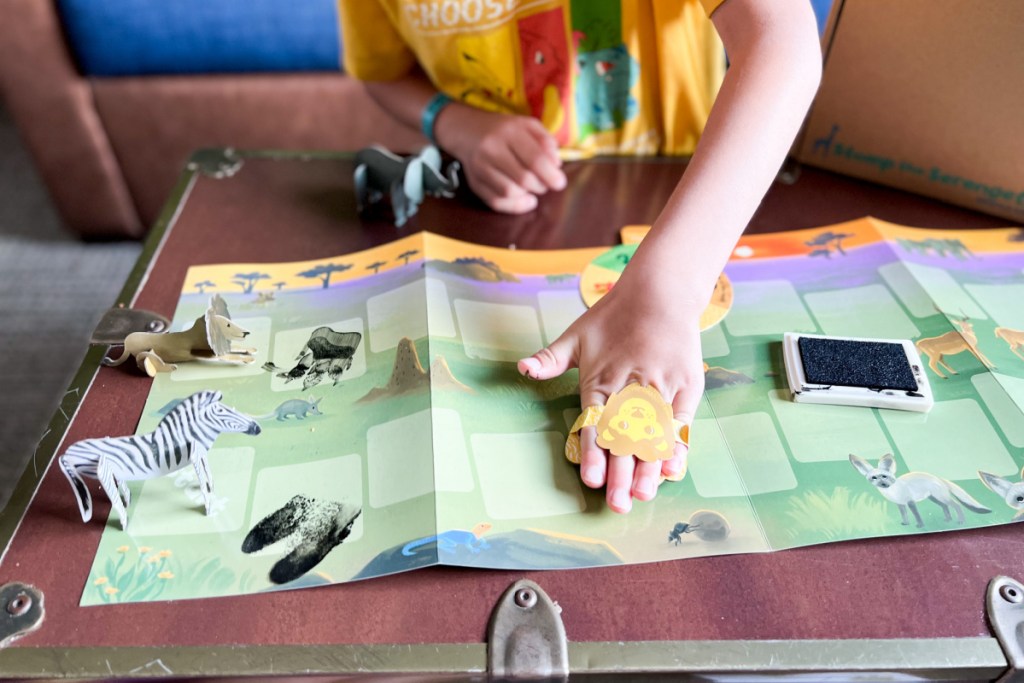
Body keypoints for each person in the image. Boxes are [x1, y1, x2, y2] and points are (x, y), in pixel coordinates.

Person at [340, 0, 822, 513]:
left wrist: (667, 291)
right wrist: (455, 124)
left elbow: (783, 41)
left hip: (691, 197)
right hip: (495, 210)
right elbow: (384, 74)